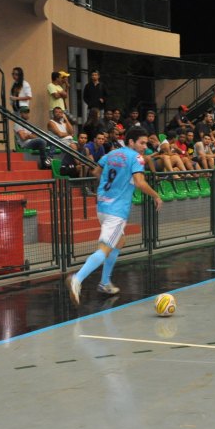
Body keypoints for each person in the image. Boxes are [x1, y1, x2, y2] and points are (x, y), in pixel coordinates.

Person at [66, 127, 163, 305]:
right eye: (141, 143)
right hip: (116, 211)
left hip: (102, 205)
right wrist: (156, 195)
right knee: (105, 248)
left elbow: (95, 172)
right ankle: (77, 279)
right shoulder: (136, 158)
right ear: (131, 142)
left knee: (119, 241)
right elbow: (140, 182)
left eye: (145, 143)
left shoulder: (111, 154)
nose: (144, 146)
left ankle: (105, 282)